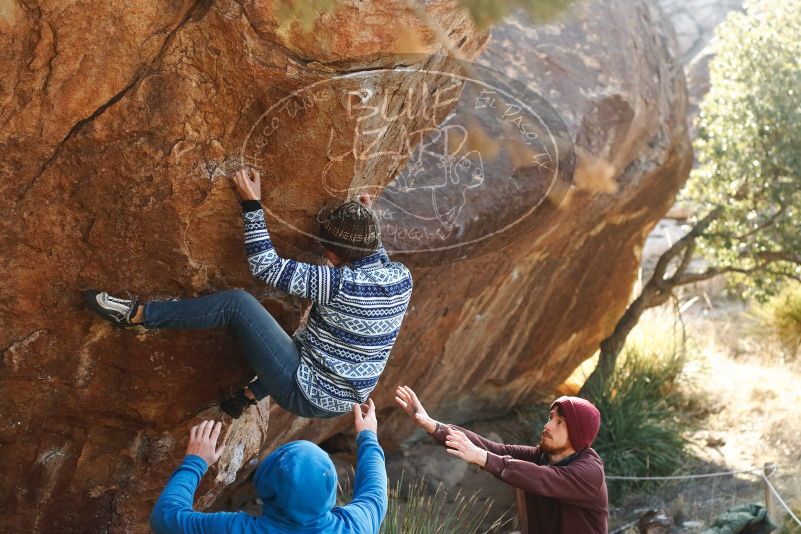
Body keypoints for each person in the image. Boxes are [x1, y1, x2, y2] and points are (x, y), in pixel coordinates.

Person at [83, 167, 413, 419]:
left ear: (334, 256)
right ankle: (250, 395)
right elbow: (371, 257)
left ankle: (137, 316)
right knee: (299, 336)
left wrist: (251, 204)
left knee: (239, 305)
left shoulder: (337, 284)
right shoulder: (401, 279)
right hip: (345, 395)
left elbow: (265, 266)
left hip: (308, 392)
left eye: (328, 251)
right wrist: (363, 220)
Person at [149, 399, 387, 533]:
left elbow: (165, 517)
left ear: (264, 484)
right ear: (330, 489)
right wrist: (367, 436)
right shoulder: (356, 527)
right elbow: (374, 493)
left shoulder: (238, 530)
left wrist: (195, 463)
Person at [394, 386, 608, 533]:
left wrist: (482, 458)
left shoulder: (589, 473)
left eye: (560, 422)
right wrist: (433, 426)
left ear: (578, 433)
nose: (548, 426)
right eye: (550, 417)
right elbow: (494, 448)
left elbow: (543, 478)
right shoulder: (543, 456)